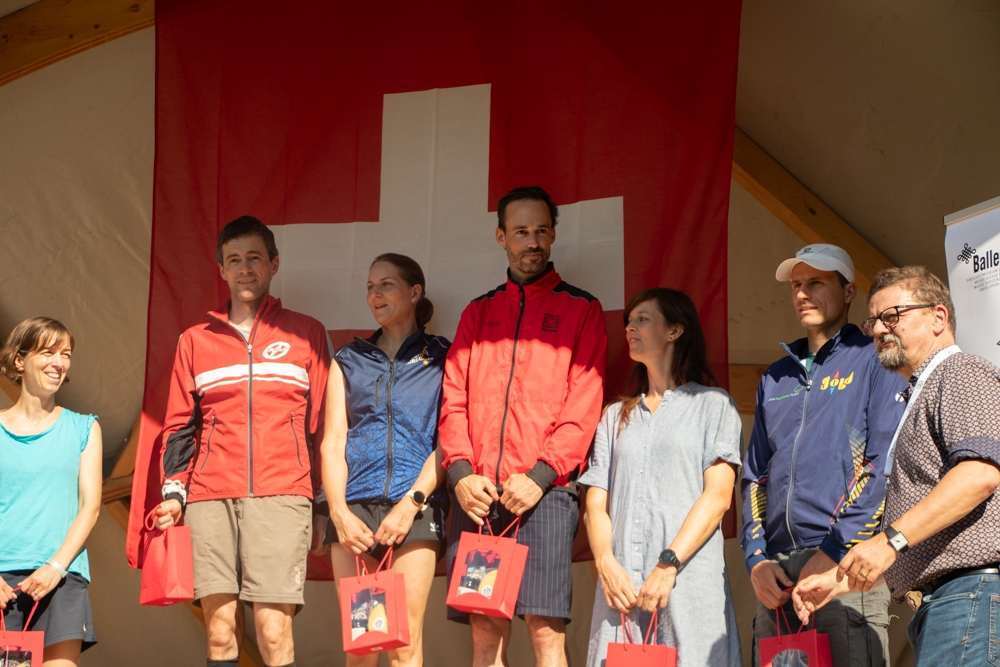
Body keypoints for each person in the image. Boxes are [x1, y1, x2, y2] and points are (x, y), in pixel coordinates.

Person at [793, 266, 1000, 666]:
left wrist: (889, 541)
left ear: (938, 317)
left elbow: (979, 474)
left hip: (968, 598)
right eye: (872, 321)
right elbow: (933, 533)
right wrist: (839, 581)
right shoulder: (920, 390)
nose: (877, 330)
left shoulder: (960, 372)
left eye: (892, 316)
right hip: (948, 603)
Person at [439, 185, 608, 667]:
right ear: (501, 237)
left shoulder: (582, 309)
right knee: (485, 631)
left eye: (540, 231)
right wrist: (461, 474)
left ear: (552, 235)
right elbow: (452, 400)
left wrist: (539, 477)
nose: (532, 242)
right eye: (520, 232)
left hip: (545, 493)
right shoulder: (478, 312)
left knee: (545, 631)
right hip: (477, 496)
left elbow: (584, 404)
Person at [152, 216, 332, 667]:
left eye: (254, 258)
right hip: (209, 498)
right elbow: (179, 425)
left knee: (273, 631)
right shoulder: (194, 341)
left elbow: (325, 426)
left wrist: (324, 503)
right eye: (234, 260)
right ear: (221, 269)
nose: (245, 268)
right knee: (219, 633)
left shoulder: (307, 332)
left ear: (274, 264)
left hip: (283, 494)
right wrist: (174, 494)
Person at [740, 244, 908, 666]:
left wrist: (832, 551)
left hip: (845, 565)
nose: (802, 293)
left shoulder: (875, 359)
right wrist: (756, 558)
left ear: (849, 292)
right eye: (796, 285)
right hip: (777, 575)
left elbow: (881, 465)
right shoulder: (775, 377)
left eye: (815, 282)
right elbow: (755, 476)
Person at [579, 288, 742, 666]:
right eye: (628, 321)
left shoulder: (713, 405)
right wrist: (605, 564)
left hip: (686, 584)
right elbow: (595, 504)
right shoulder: (613, 417)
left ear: (674, 331)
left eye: (642, 319)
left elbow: (718, 497)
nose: (630, 328)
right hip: (621, 591)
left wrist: (668, 565)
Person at [321, 253, 450, 667]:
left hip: (415, 510)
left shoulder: (444, 356)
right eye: (370, 288)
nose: (375, 295)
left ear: (414, 293)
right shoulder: (348, 359)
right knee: (362, 646)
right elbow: (333, 441)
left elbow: (450, 440)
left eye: (386, 285)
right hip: (355, 513)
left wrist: (411, 503)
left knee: (403, 646)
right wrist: (339, 514)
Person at [0, 317, 102, 665]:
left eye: (66, 354)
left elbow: (90, 507)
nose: (59, 363)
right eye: (48, 352)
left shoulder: (84, 428)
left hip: (61, 579)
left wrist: (56, 567)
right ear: (19, 360)